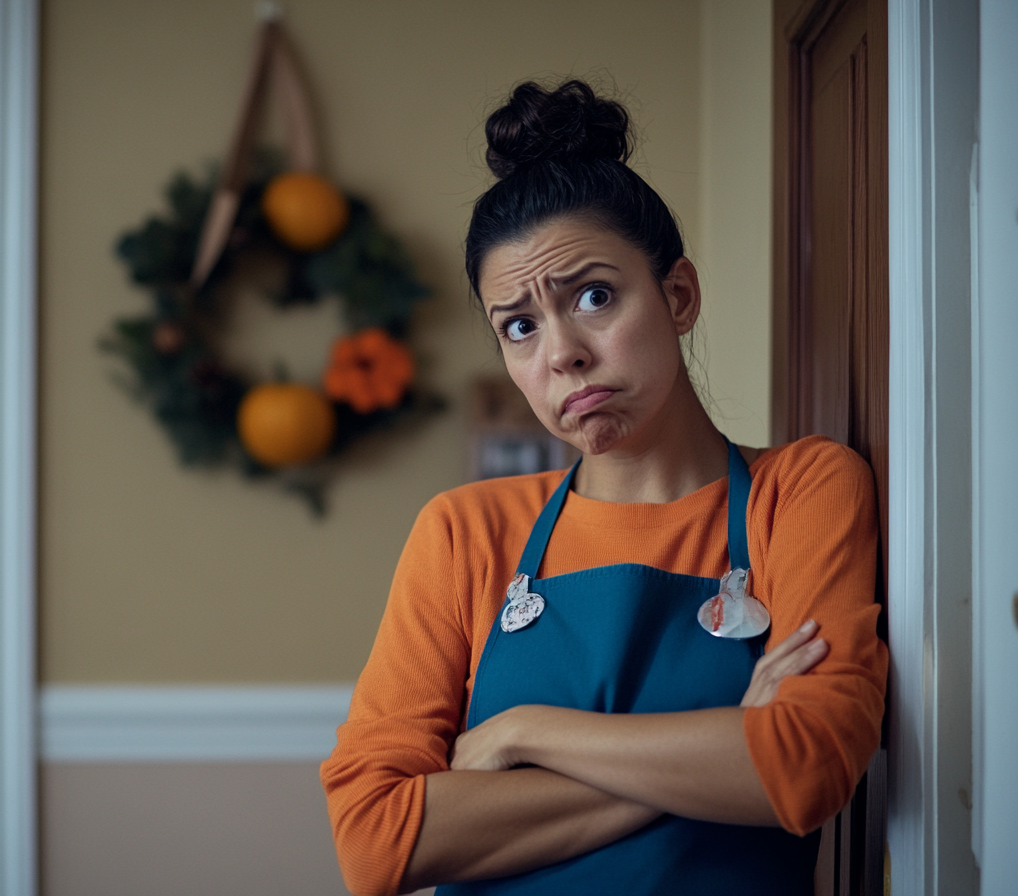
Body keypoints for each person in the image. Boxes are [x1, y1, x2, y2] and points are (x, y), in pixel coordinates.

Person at [319, 79, 888, 896]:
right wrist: (726, 752)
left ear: (678, 296)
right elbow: (376, 847)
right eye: (518, 324)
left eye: (593, 296)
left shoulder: (800, 491)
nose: (562, 354)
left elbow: (803, 772)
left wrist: (525, 733)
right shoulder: (463, 532)